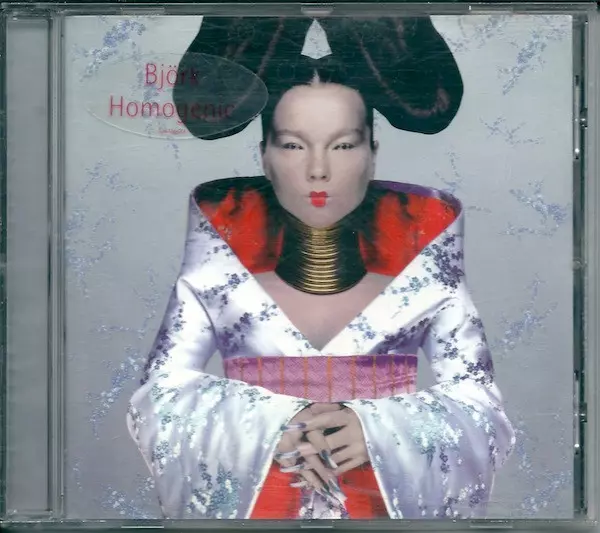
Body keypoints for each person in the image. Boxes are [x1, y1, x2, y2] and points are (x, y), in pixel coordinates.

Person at [126, 16, 515, 520]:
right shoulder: (219, 271)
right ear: (263, 156)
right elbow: (157, 399)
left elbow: (481, 408)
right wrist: (268, 426)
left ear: (373, 153)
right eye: (293, 145)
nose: (318, 170)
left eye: (343, 145)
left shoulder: (425, 269)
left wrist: (378, 430)